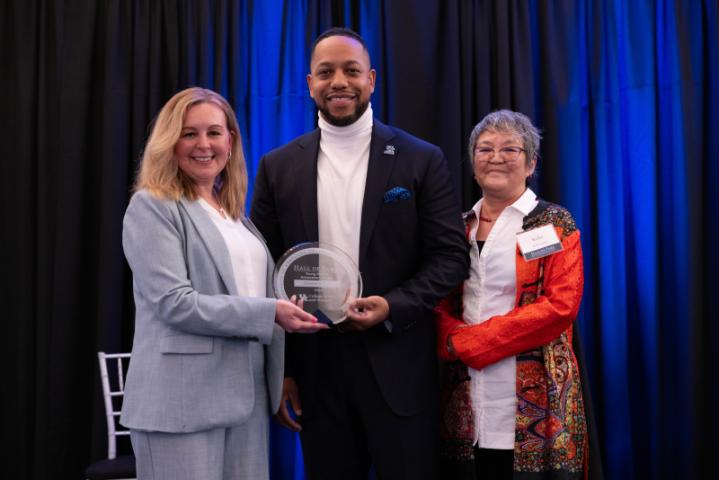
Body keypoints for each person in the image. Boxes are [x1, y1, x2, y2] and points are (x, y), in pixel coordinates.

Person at [250, 27, 469, 480]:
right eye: (325, 72)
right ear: (310, 83)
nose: (339, 82)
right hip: (315, 372)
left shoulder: (420, 158)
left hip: (398, 367)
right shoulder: (277, 167)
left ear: (371, 79)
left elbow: (451, 258)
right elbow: (264, 271)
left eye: (351, 71)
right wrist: (283, 371)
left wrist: (393, 305)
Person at [120, 87, 327, 480]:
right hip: (181, 404)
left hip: (245, 397)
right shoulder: (152, 206)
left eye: (214, 132)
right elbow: (174, 303)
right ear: (169, 142)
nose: (203, 144)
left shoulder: (236, 216)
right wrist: (272, 312)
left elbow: (255, 295)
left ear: (230, 141)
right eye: (189, 133)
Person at [434, 110, 591, 479]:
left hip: (538, 399)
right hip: (465, 396)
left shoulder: (554, 222)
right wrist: (451, 340)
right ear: (473, 164)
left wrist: (468, 343)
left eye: (510, 149)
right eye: (484, 149)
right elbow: (436, 300)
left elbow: (560, 306)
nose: (496, 157)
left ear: (531, 163)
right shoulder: (455, 228)